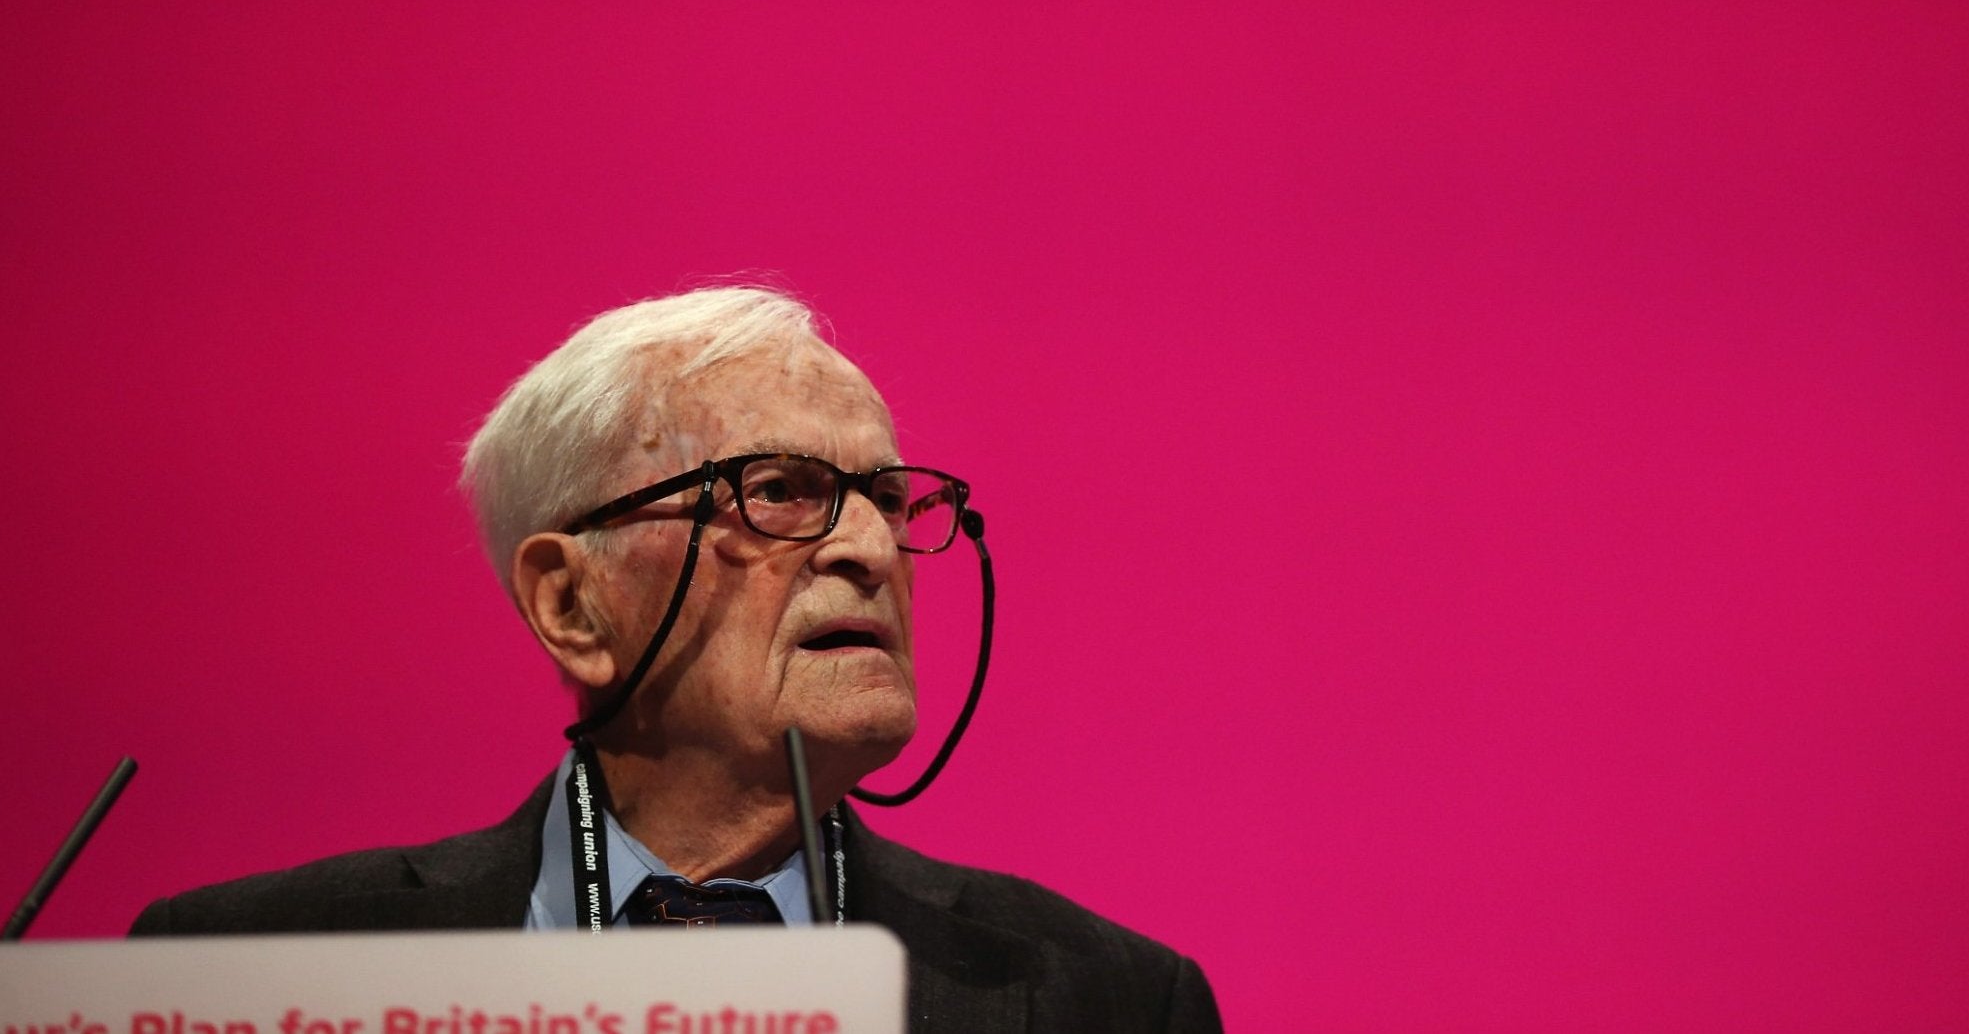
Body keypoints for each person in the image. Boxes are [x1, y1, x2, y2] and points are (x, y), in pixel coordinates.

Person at [131, 285, 1222, 1034]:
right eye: (779, 490)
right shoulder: (244, 969)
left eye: (887, 497)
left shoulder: (1106, 998)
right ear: (572, 601)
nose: (869, 546)